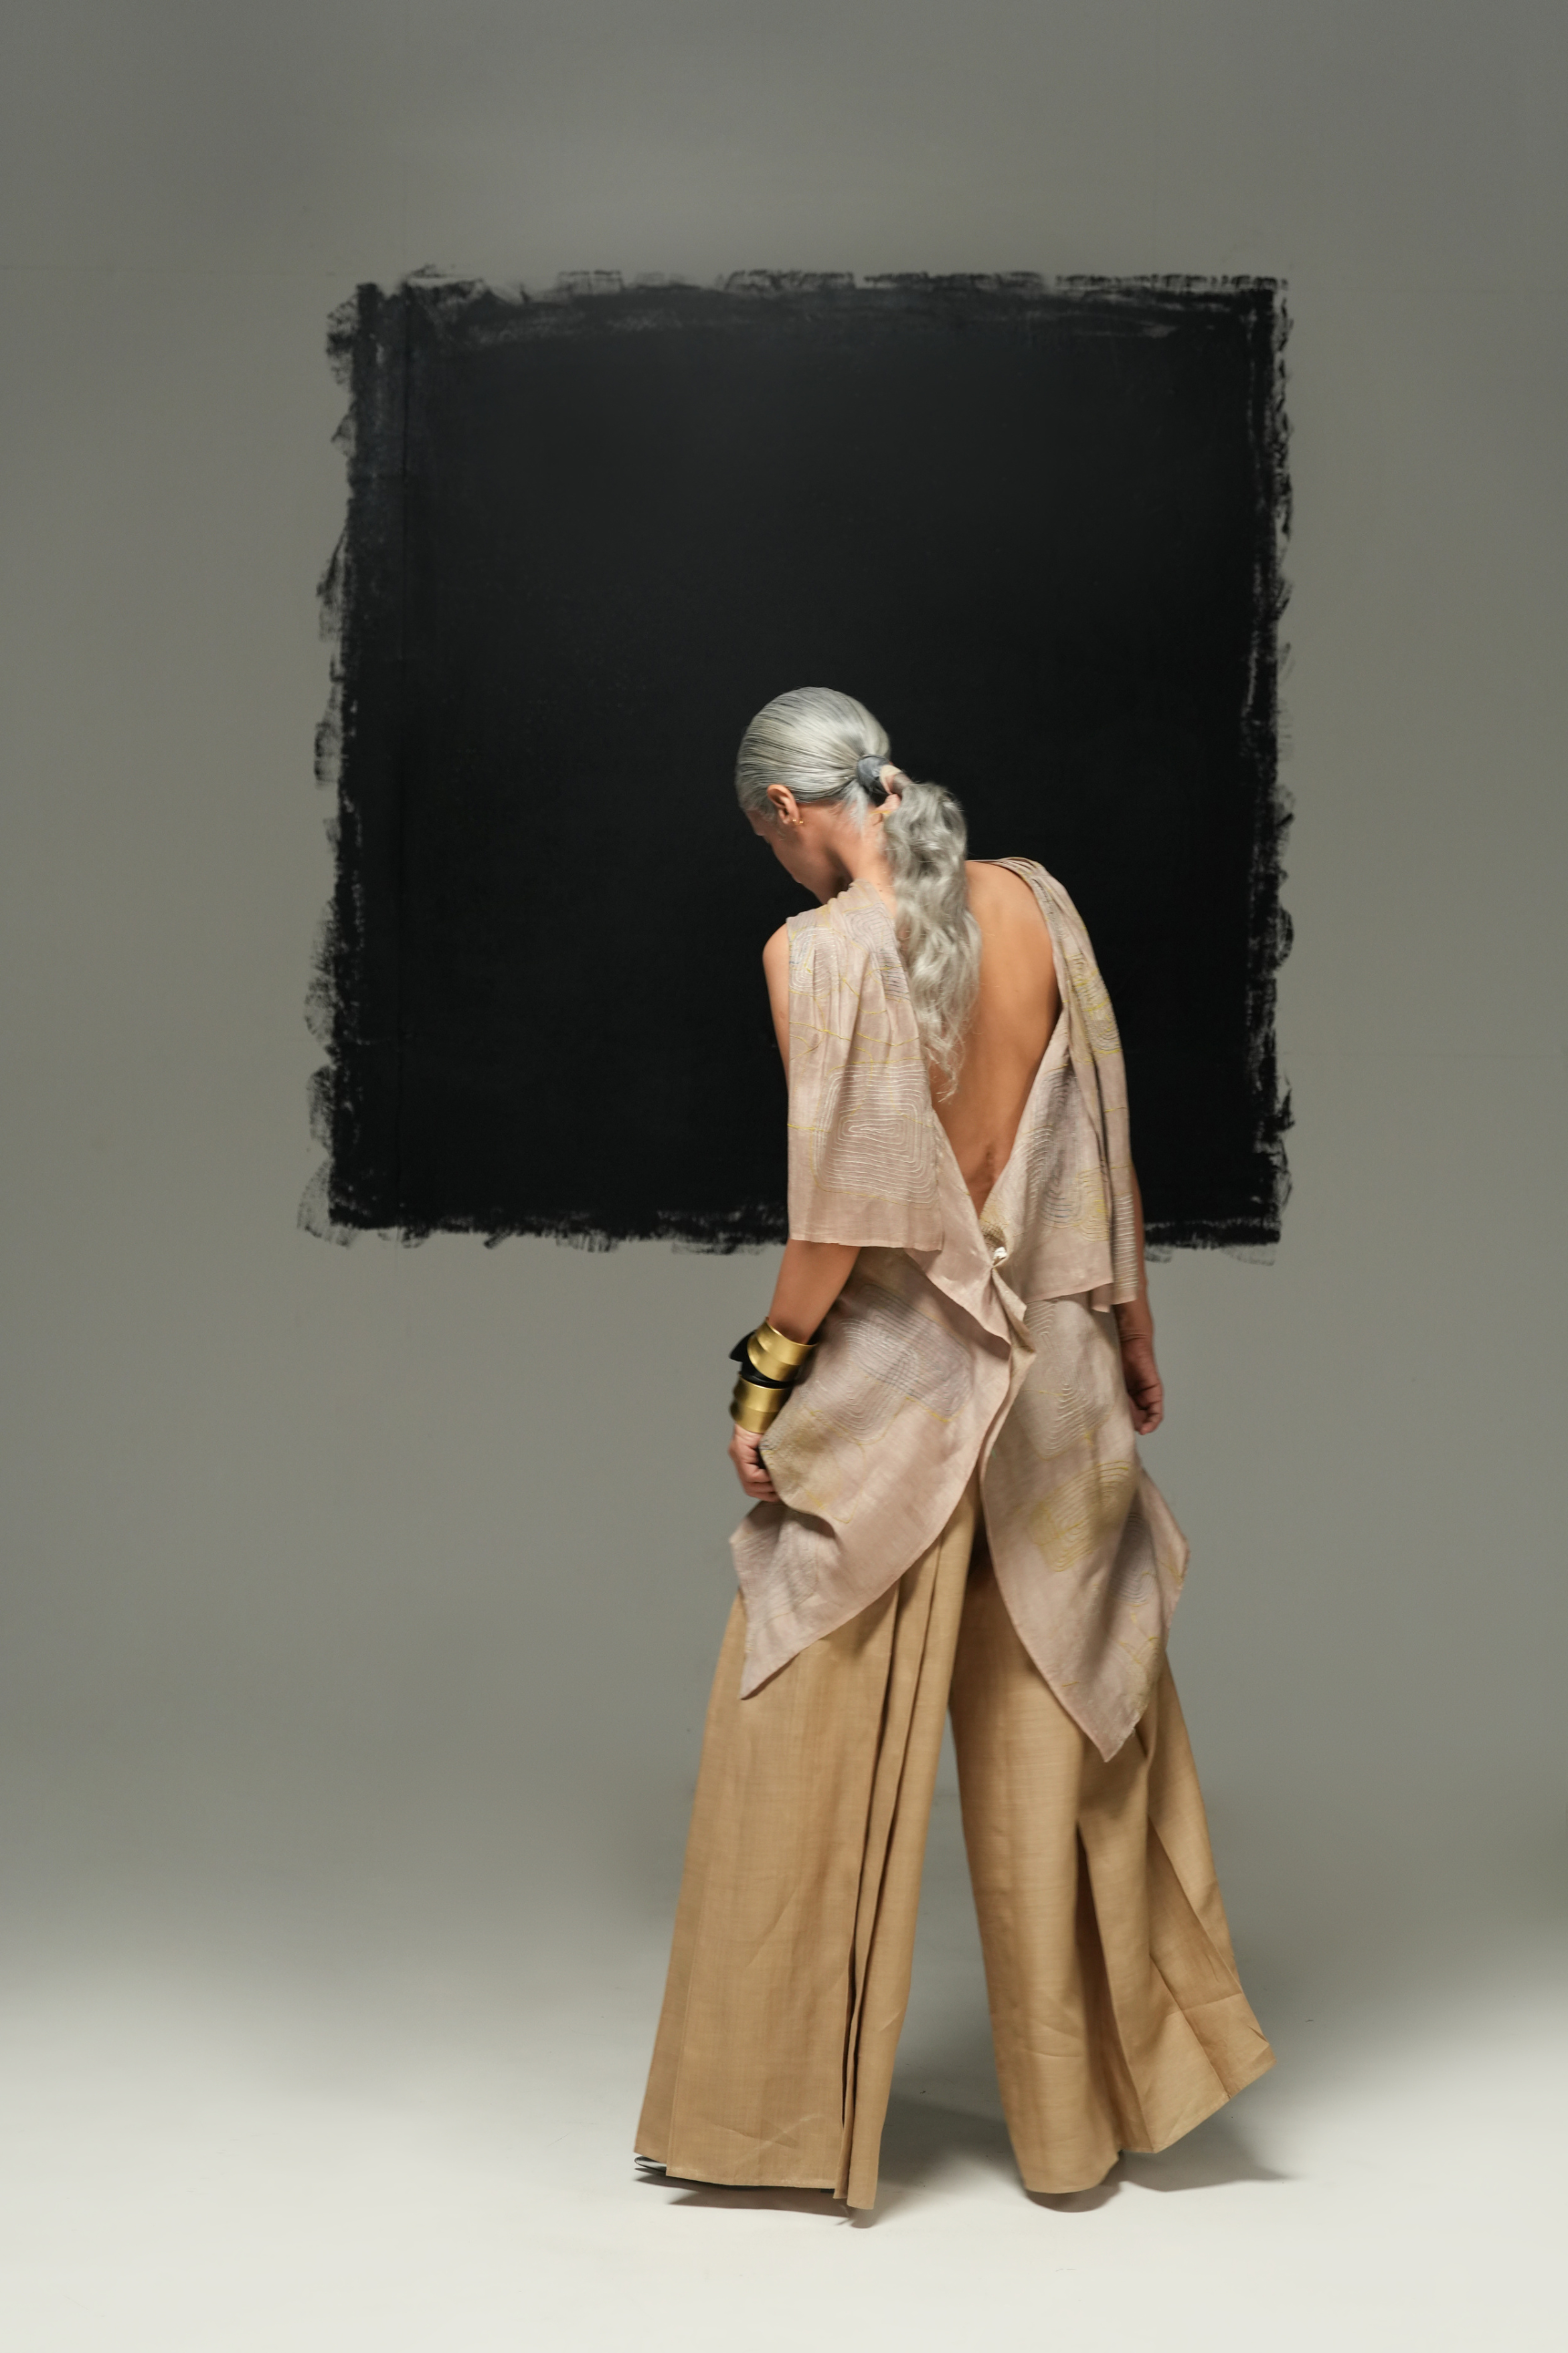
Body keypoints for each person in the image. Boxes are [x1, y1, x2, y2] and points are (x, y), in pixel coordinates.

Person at [636, 686, 1273, 2210]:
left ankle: (768, 2121)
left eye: (770, 841)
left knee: (799, 1728)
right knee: (1061, 1735)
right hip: (1056, 1375)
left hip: (899, 1398)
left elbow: (835, 1215)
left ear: (788, 811)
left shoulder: (812, 953)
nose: (779, 865)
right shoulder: (1038, 905)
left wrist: (763, 1375)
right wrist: (1132, 1325)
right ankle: (1076, 2131)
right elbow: (1105, 1142)